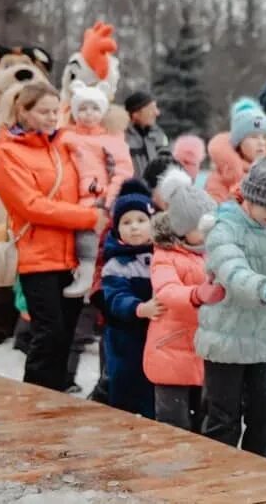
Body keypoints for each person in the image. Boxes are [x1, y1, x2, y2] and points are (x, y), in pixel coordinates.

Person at [0, 82, 105, 391]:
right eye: (43, 111)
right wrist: (88, 217)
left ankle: (53, 400)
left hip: (70, 258)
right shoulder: (7, 153)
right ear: (22, 111)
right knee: (48, 334)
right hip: (37, 257)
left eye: (55, 110)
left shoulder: (61, 146)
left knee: (66, 336)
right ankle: (35, 401)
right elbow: (32, 206)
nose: (52, 117)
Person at [196, 133, 266, 459]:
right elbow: (231, 268)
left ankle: (260, 475)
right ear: (248, 199)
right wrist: (262, 288)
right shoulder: (225, 228)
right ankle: (217, 480)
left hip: (261, 338)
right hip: (225, 336)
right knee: (224, 417)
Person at [144, 168, 223, 432]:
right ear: (183, 228)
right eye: (202, 227)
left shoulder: (214, 251)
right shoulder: (165, 255)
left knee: (204, 418)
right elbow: (166, 290)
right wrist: (196, 294)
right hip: (172, 346)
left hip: (204, 347)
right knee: (173, 422)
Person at [61, 84, 132, 297]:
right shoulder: (67, 137)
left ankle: (88, 274)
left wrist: (108, 201)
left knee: (89, 237)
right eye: (82, 109)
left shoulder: (112, 140)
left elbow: (122, 172)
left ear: (102, 112)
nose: (88, 114)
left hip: (97, 198)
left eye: (94, 108)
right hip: (72, 199)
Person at [101, 179, 160, 418]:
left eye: (141, 220)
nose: (134, 227)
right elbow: (115, 297)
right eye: (126, 222)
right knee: (124, 386)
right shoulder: (116, 264)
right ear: (117, 228)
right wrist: (138, 308)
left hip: (154, 337)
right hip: (124, 338)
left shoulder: (162, 256)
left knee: (151, 389)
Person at [205, 98, 266, 203]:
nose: (261, 142)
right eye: (254, 136)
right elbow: (215, 211)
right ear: (239, 142)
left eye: (265, 137)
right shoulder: (222, 176)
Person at [124, 91, 169, 178]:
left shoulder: (159, 135)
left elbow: (169, 166)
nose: (157, 113)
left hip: (156, 190)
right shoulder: (121, 137)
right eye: (151, 109)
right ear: (135, 114)